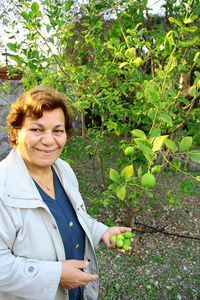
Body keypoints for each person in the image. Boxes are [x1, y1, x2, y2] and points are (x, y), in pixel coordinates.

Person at [0, 86, 132, 300]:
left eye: (58, 131)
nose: (49, 140)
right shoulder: (3, 187)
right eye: (36, 129)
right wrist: (55, 276)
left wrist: (101, 232)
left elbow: (74, 218)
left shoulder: (63, 169)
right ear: (17, 131)